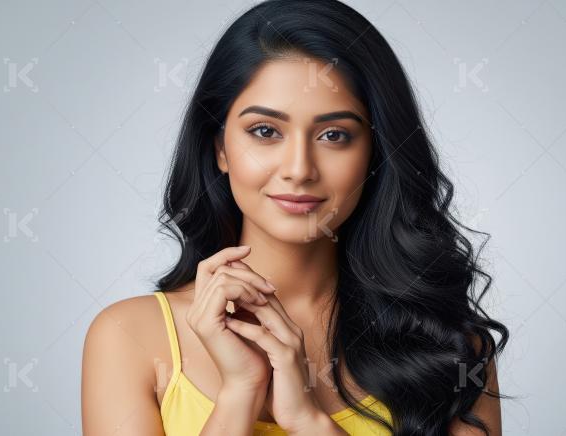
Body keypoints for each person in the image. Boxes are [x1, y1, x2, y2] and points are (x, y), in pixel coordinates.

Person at [82, 1, 509, 435]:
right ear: (221, 149)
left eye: (334, 135)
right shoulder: (127, 337)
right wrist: (240, 392)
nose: (300, 168)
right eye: (265, 132)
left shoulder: (450, 348)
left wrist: (308, 421)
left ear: (375, 155)